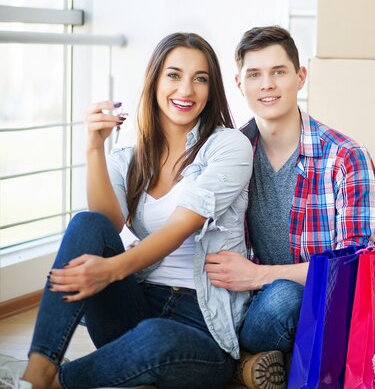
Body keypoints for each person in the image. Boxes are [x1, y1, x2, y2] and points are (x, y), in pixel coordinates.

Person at [1, 32, 253, 389]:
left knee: (156, 337)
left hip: (201, 327)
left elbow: (182, 225)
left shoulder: (228, 146)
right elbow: (108, 222)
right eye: (174, 75)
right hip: (136, 302)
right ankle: (38, 369)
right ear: (154, 81)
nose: (186, 90)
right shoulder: (132, 152)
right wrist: (93, 148)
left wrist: (111, 269)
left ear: (212, 90)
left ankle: (57, 382)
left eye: (200, 79)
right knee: (87, 223)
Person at [204, 26, 375, 389]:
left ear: (300, 77)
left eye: (278, 72)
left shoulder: (345, 157)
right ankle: (257, 361)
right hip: (237, 302)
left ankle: (244, 364)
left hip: (309, 305)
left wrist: (259, 276)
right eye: (255, 75)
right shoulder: (229, 154)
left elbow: (355, 266)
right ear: (240, 84)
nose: (266, 84)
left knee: (286, 297)